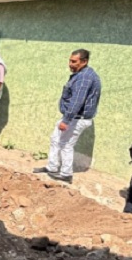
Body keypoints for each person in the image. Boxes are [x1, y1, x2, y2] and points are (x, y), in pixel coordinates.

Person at [33, 49, 101, 184]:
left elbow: (77, 100)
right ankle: (52, 167)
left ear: (84, 61)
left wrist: (66, 120)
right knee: (55, 139)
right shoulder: (81, 74)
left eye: (74, 61)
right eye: (70, 60)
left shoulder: (84, 77)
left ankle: (66, 173)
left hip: (76, 118)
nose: (70, 64)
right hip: (72, 116)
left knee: (65, 144)